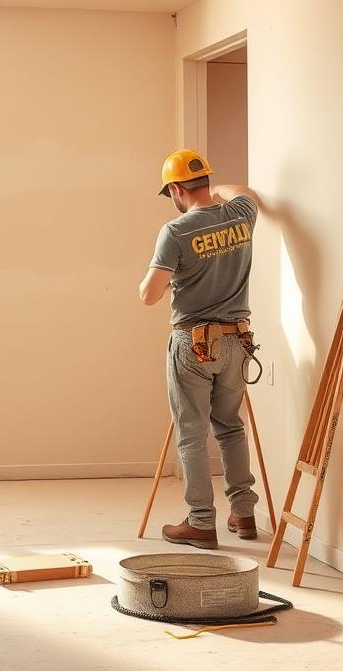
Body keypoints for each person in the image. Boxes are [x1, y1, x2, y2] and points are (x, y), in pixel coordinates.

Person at [138, 148, 260, 550]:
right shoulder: (241, 214)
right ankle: (243, 514)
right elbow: (244, 191)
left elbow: (150, 296)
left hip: (193, 343)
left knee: (191, 433)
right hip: (237, 340)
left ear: (175, 189)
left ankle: (201, 522)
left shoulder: (175, 232)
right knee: (230, 427)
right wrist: (217, 195)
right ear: (205, 182)